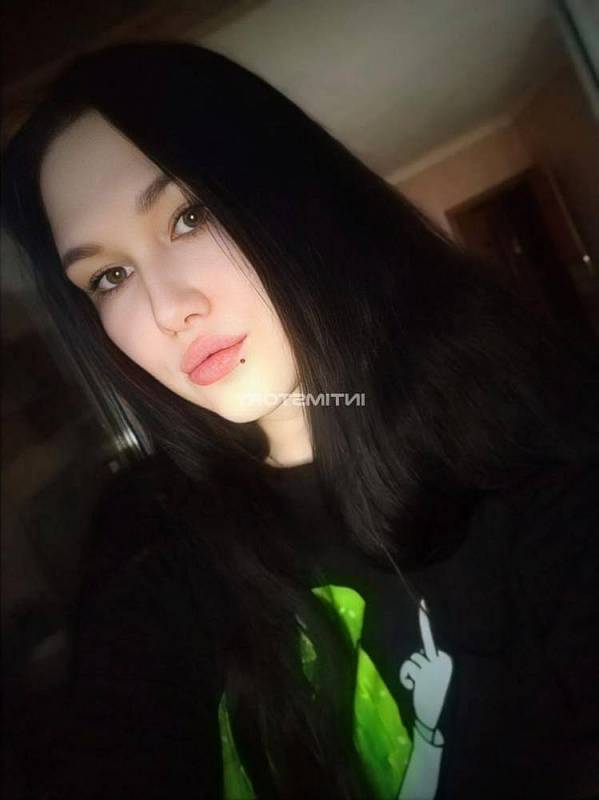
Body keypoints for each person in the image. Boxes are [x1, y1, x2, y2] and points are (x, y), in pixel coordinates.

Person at [2, 40, 598, 800]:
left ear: (297, 199)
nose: (166, 310)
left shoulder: (533, 454)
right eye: (109, 276)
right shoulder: (149, 534)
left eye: (189, 216)